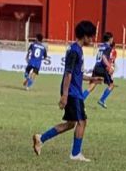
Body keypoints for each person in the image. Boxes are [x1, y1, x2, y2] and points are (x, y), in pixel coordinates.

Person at [33, 20, 97, 162]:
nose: (92, 39)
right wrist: (65, 95)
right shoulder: (74, 51)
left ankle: (41, 138)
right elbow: (68, 74)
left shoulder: (76, 50)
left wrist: (92, 79)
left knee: (71, 123)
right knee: (82, 122)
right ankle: (75, 154)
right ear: (85, 36)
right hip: (73, 93)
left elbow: (76, 74)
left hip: (75, 91)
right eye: (91, 36)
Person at [93, 32, 117, 109]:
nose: (112, 39)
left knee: (92, 85)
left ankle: (81, 99)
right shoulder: (108, 48)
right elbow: (104, 57)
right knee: (111, 85)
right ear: (110, 39)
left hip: (96, 66)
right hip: (102, 68)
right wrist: (109, 67)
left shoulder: (101, 46)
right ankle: (102, 100)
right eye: (112, 38)